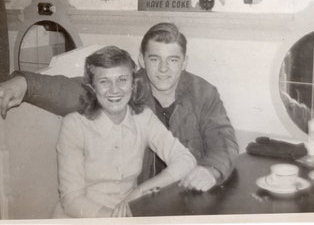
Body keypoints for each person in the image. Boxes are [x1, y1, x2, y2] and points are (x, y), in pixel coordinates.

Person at [0, 22, 239, 191]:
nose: (163, 69)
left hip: (188, 195)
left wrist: (211, 171)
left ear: (184, 62)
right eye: (155, 59)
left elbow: (225, 142)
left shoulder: (204, 93)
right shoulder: (128, 87)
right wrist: (26, 83)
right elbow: (72, 91)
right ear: (141, 60)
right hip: (139, 200)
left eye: (173, 60)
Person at [53, 45, 196, 218]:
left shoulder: (143, 117)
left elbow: (186, 160)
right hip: (84, 217)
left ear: (133, 84)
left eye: (122, 79)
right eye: (104, 81)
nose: (115, 90)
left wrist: (140, 191)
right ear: (92, 87)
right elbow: (71, 200)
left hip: (129, 213)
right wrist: (116, 219)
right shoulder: (74, 125)